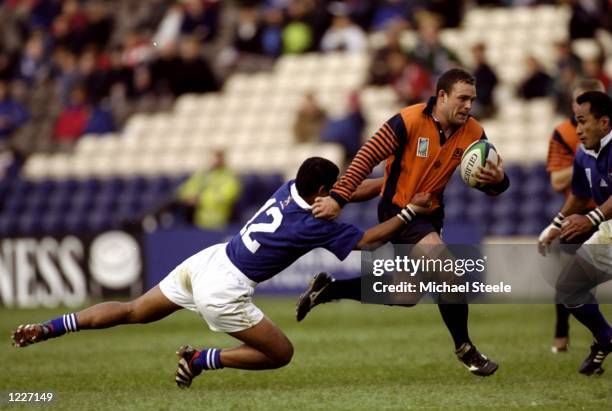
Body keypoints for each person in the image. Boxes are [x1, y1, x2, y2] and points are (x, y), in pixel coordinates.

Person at [11, 157, 431, 388]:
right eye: (333, 188)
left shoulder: (290, 187)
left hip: (208, 260)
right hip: (225, 288)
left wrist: (386, 183)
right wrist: (410, 208)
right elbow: (370, 241)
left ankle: (49, 328)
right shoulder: (315, 224)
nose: (338, 191)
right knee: (281, 354)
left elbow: (342, 194)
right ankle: (202, 358)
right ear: (321, 192)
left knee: (133, 309)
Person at [296, 68, 509, 377]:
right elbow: (366, 157)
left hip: (431, 214)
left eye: (472, 100)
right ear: (442, 96)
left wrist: (499, 179)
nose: (468, 106)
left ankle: (329, 290)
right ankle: (465, 349)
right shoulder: (407, 121)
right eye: (462, 99)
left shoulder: (475, 133)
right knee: (447, 270)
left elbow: (494, 186)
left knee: (406, 294)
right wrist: (338, 198)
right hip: (400, 210)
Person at [538, 91, 612, 375]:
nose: (578, 130)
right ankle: (606, 337)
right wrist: (555, 225)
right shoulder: (582, 154)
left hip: (603, 223)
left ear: (604, 122)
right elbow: (579, 196)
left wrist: (591, 218)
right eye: (575, 123)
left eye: (582, 122)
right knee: (569, 288)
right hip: (608, 230)